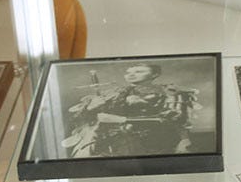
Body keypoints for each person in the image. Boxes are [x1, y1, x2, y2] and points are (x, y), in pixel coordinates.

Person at [62, 62, 200, 158]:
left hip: (156, 142)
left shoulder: (170, 92)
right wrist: (91, 108)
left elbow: (175, 119)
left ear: (155, 74)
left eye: (139, 71)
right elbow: (88, 118)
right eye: (128, 72)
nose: (131, 75)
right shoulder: (116, 92)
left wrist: (123, 119)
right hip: (116, 143)